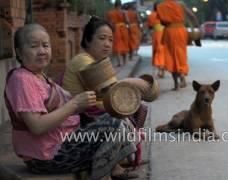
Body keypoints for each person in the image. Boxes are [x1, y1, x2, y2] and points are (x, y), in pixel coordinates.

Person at [5, 23, 137, 180]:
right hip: (47, 156)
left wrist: (85, 101)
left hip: (64, 141)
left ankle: (111, 167)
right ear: (19, 52)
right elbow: (37, 126)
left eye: (46, 45)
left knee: (115, 117)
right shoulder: (22, 79)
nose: (41, 51)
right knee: (113, 121)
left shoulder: (40, 76)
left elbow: (69, 101)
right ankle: (103, 172)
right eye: (34, 46)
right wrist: (75, 105)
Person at [62, 16, 148, 170]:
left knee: (139, 108)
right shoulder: (84, 60)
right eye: (102, 38)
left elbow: (112, 91)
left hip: (93, 110)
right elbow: (111, 91)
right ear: (88, 40)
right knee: (117, 115)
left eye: (110, 40)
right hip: (79, 117)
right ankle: (111, 164)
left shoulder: (97, 61)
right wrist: (135, 83)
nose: (107, 44)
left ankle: (120, 156)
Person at [156, 0, 199, 90]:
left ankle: (176, 85)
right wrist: (197, 26)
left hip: (169, 32)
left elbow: (162, 22)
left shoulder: (161, 6)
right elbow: (192, 16)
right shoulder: (181, 4)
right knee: (181, 54)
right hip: (180, 31)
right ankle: (182, 74)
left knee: (170, 56)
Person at [106, 0, 130, 67]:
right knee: (125, 44)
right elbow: (127, 21)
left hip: (116, 29)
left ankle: (119, 62)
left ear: (115, 5)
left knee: (117, 45)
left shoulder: (110, 13)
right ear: (120, 5)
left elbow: (109, 22)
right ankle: (125, 62)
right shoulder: (124, 12)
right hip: (124, 29)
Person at [146, 2, 165, 78]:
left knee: (157, 51)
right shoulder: (163, 14)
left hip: (157, 34)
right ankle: (161, 70)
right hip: (164, 33)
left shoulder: (151, 15)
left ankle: (160, 70)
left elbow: (149, 26)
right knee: (162, 51)